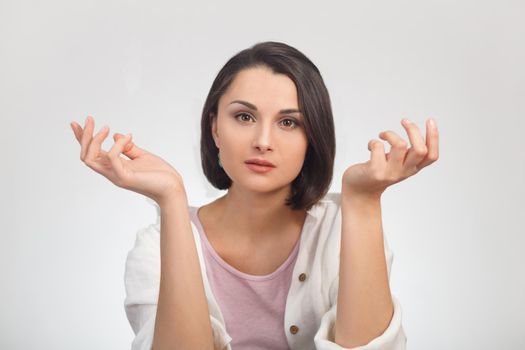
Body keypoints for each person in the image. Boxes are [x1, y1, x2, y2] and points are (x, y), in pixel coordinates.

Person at [70, 41, 439, 350]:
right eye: (244, 117)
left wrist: (363, 201)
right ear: (215, 128)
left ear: (313, 138)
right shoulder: (155, 246)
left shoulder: (344, 228)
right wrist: (171, 200)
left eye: (288, 122)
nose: (263, 141)